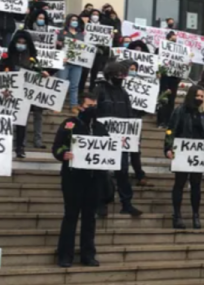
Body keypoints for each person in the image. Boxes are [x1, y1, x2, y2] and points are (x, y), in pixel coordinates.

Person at [52, 92, 105, 268]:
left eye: (95, 107)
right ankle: (64, 254)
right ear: (81, 107)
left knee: (90, 217)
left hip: (93, 178)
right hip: (73, 177)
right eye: (90, 106)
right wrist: (63, 154)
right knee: (71, 216)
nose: (93, 110)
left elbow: (107, 149)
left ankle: (88, 254)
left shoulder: (100, 127)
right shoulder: (70, 124)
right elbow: (57, 146)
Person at [94, 60, 143, 217]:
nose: (121, 78)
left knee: (122, 171)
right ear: (110, 75)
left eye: (123, 76)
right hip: (103, 138)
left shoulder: (123, 93)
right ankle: (102, 203)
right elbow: (93, 112)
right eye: (119, 75)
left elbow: (130, 116)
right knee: (102, 172)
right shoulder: (99, 90)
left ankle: (126, 203)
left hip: (121, 139)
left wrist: (135, 136)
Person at [166, 85, 204, 229]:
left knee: (196, 185)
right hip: (182, 151)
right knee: (179, 183)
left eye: (202, 96)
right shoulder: (180, 111)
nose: (199, 99)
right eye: (197, 96)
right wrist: (168, 147)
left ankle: (195, 215)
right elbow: (170, 130)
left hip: (198, 153)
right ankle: (177, 215)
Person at [0, 31, 44, 158]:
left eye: (24, 43)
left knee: (21, 122)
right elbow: (2, 70)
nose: (21, 45)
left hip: (24, 93)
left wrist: (43, 73)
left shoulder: (32, 57)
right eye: (19, 42)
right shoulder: (7, 55)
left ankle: (20, 147)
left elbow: (37, 71)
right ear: (14, 42)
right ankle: (5, 144)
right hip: (9, 92)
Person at [56, 14, 85, 113]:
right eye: (73, 20)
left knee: (74, 85)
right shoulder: (61, 32)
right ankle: (57, 105)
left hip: (77, 63)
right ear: (68, 21)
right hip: (64, 61)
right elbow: (56, 45)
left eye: (76, 20)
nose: (75, 22)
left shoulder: (81, 34)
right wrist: (58, 44)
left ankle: (73, 105)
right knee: (61, 83)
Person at [157, 31, 182, 128]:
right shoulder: (160, 49)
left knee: (171, 101)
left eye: (175, 40)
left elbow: (182, 64)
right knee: (163, 99)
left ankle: (168, 121)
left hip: (174, 79)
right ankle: (161, 121)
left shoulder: (179, 51)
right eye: (172, 39)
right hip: (164, 78)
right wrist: (158, 72)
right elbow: (156, 61)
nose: (174, 42)